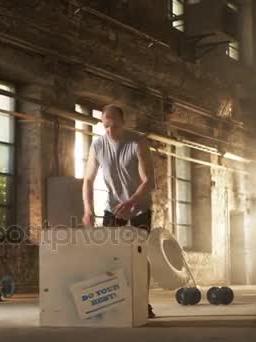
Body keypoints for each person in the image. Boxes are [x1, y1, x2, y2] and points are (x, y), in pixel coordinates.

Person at [82, 104, 156, 318]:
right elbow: (88, 180)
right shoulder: (97, 145)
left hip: (139, 206)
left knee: (139, 256)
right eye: (105, 125)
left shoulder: (138, 142)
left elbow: (149, 181)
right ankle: (114, 302)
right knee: (109, 255)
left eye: (113, 125)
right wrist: (88, 210)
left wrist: (132, 201)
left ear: (123, 122)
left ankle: (144, 302)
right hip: (113, 207)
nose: (109, 130)